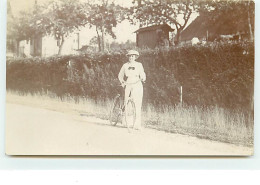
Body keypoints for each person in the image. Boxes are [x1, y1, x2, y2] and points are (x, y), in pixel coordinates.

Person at [118, 50, 146, 130]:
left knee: (137, 103)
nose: (131, 57)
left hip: (137, 82)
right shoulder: (125, 65)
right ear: (128, 57)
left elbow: (142, 73)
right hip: (128, 82)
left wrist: (143, 78)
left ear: (135, 57)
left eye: (132, 56)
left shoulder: (139, 65)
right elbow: (120, 75)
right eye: (130, 56)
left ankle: (137, 124)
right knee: (127, 102)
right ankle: (126, 122)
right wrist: (123, 82)